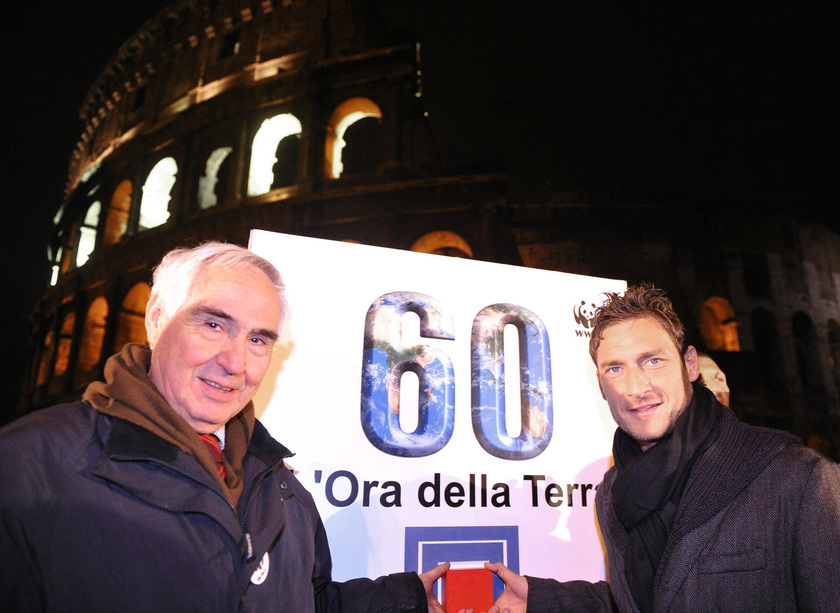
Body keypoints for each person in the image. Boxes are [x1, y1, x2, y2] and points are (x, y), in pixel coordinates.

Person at [0, 242, 448, 612]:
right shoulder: (28, 468)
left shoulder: (280, 486)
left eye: (257, 340)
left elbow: (306, 603)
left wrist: (406, 601)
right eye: (213, 324)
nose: (235, 363)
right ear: (156, 318)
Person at [480, 283, 840, 612]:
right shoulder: (612, 494)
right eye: (615, 369)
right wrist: (545, 599)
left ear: (690, 365)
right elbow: (649, 598)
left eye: (652, 361)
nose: (636, 388)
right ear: (601, 386)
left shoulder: (798, 478)